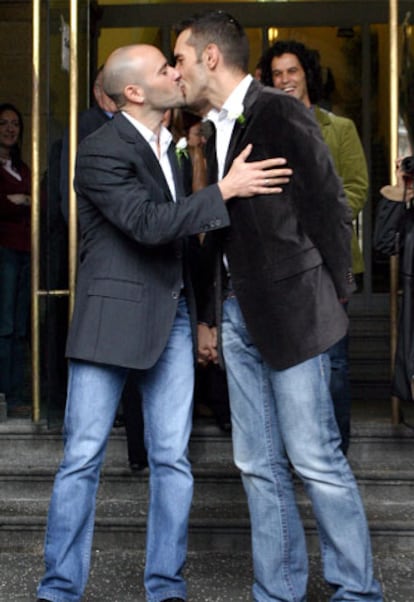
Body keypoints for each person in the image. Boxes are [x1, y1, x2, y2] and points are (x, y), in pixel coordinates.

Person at [36, 43, 290, 602]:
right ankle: (58, 590)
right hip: (111, 320)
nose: (176, 73)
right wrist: (224, 190)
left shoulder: (174, 150)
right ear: (134, 92)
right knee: (82, 459)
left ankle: (165, 586)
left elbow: (185, 246)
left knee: (173, 460)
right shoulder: (99, 150)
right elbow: (148, 224)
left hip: (173, 314)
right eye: (163, 69)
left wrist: (203, 318)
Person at [174, 11, 383, 601]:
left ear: (210, 57)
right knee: (257, 465)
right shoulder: (211, 132)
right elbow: (217, 233)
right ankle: (277, 590)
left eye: (181, 59)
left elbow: (328, 207)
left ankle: (358, 592)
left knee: (315, 459)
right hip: (237, 315)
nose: (177, 71)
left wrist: (333, 299)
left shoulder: (280, 110)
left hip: (295, 313)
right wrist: (213, 314)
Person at [259, 39, 369, 454]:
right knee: (291, 359)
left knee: (335, 361)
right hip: (285, 262)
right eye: (277, 74)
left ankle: (335, 449)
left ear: (307, 74)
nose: (285, 80)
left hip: (333, 258)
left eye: (292, 71)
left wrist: (324, 220)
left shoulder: (339, 129)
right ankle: (300, 450)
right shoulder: (265, 129)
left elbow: (356, 187)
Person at [0, 102, 31, 417]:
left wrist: (23, 201)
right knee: (6, 325)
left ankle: (18, 393)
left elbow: (40, 200)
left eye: (15, 124)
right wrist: (17, 202)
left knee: (21, 326)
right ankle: (5, 392)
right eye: (4, 124)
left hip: (25, 251)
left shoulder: (22, 167)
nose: (10, 129)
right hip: (4, 250)